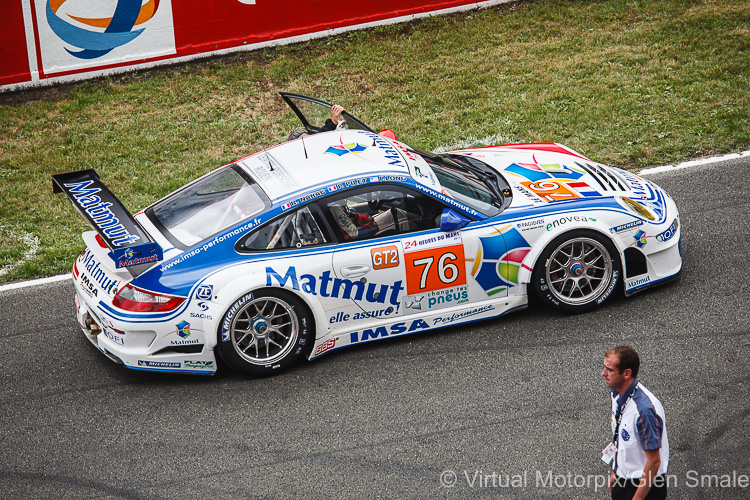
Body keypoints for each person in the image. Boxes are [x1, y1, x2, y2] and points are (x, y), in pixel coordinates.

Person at [601, 346, 669, 500]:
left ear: (627, 373)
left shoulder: (644, 411)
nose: (603, 373)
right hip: (623, 480)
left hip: (644, 487)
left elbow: (654, 462)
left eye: (609, 370)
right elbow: (620, 437)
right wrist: (616, 471)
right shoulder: (617, 394)